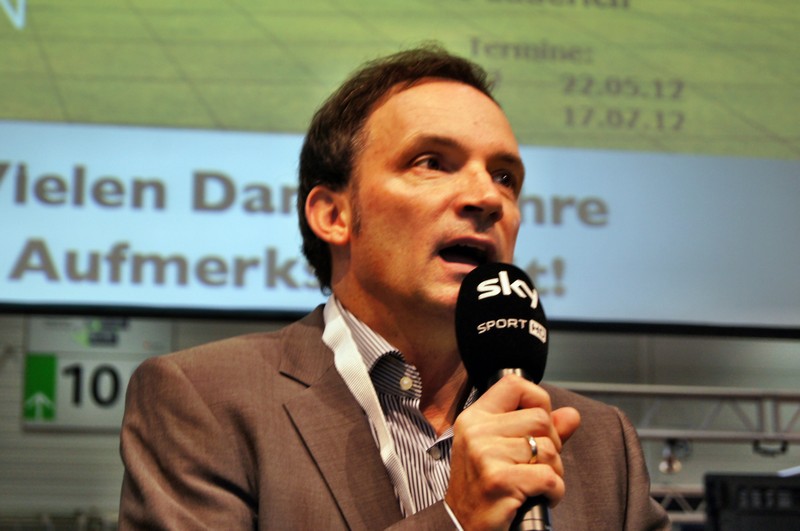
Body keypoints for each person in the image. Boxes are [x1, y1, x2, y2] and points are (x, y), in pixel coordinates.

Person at [118, 46, 670, 530]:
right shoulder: (206, 401)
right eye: (432, 163)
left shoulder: (600, 444)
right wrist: (455, 521)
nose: (487, 198)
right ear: (334, 215)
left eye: (505, 177)